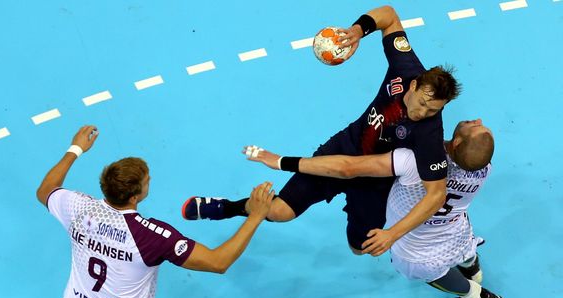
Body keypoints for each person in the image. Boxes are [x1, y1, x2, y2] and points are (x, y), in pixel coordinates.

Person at [182, 5, 460, 257]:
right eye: (423, 104)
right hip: (346, 147)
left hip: (375, 182)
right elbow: (388, 14)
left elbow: (436, 195)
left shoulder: (429, 134)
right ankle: (226, 208)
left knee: (360, 248)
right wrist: (357, 31)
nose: (423, 113)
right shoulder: (406, 67)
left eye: (434, 110)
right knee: (280, 211)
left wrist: (392, 233)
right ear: (413, 86)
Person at [32, 125, 275, 298]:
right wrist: (255, 215)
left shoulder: (78, 208)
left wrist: (75, 149)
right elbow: (218, 262)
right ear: (136, 195)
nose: (150, 180)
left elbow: (46, 190)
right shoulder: (152, 235)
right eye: (147, 180)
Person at [243, 119, 503, 298]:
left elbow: (347, 168)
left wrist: (280, 161)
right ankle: (473, 268)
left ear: (456, 143)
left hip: (419, 248)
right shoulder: (482, 168)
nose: (476, 120)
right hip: (454, 228)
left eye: (475, 126)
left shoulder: (413, 162)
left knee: (438, 274)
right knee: (464, 247)